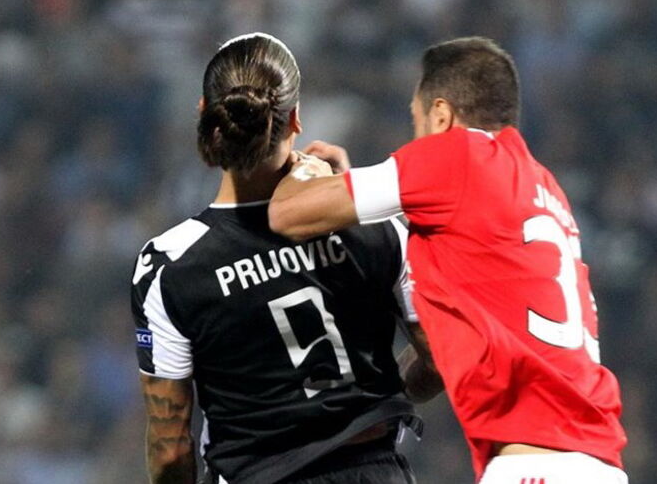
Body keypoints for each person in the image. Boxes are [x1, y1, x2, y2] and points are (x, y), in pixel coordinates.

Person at [269, 37, 629, 483]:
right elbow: (435, 367)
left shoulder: (456, 155)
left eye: (416, 120)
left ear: (440, 115)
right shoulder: (542, 188)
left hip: (534, 465)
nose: (415, 138)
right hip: (595, 464)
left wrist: (309, 170)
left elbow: (287, 213)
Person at [130, 33, 438, 484]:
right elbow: (441, 355)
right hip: (377, 471)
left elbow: (171, 448)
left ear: (204, 113)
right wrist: (374, 402)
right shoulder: (376, 226)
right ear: (295, 118)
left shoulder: (170, 267)